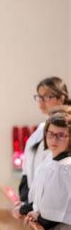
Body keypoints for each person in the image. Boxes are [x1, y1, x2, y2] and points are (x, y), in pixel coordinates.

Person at [12, 77, 70, 219]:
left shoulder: (65, 129)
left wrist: (30, 208)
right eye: (39, 96)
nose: (41, 101)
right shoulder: (42, 128)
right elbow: (29, 167)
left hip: (51, 214)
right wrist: (25, 200)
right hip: (35, 204)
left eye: (47, 96)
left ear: (62, 98)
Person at [25, 108, 71, 230]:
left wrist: (38, 217)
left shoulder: (67, 168)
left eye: (61, 135)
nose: (54, 140)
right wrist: (36, 213)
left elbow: (59, 211)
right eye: (50, 134)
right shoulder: (49, 160)